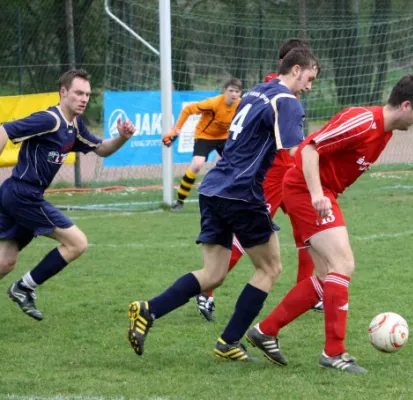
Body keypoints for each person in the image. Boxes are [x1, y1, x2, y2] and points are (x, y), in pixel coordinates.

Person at [127, 48, 320, 359]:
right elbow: (297, 152)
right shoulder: (286, 101)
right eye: (310, 78)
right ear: (296, 69)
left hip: (213, 188)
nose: (310, 86)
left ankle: (148, 310)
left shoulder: (257, 91)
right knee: (270, 268)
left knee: (213, 273)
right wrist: (320, 186)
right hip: (241, 193)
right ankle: (229, 342)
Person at [245, 74, 413, 373]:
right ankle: (334, 352)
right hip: (307, 191)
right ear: (406, 105)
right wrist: (318, 194)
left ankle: (266, 331)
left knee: (325, 278)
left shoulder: (384, 131)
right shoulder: (363, 121)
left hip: (315, 192)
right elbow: (308, 149)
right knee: (343, 264)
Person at [194, 38, 320, 323]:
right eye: (309, 76)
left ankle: (309, 292)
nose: (309, 85)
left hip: (291, 173)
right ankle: (207, 290)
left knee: (309, 229)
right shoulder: (276, 90)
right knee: (249, 236)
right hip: (272, 174)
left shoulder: (274, 89)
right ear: (291, 66)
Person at [0, 69, 136, 320]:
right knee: (77, 242)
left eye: (87, 94)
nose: (84, 98)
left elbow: (102, 149)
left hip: (18, 195)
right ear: (63, 92)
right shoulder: (49, 119)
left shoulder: (75, 126)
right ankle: (23, 287)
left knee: (5, 262)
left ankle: (22, 286)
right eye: (78, 93)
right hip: (22, 195)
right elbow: (5, 129)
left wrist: (122, 138)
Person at [163, 78, 243, 211]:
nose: (234, 94)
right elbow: (188, 109)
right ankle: (180, 201)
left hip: (224, 137)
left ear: (241, 93)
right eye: (231, 91)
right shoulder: (212, 103)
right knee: (197, 164)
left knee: (236, 166)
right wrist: (175, 131)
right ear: (225, 91)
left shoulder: (242, 105)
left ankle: (230, 199)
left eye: (237, 91)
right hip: (205, 136)